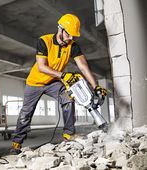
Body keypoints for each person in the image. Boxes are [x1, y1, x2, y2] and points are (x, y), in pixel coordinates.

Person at [11, 14, 107, 154]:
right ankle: (16, 143)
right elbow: (41, 67)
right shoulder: (44, 41)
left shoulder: (72, 46)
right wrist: (63, 75)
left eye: (74, 36)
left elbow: (83, 67)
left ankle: (69, 134)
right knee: (26, 113)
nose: (71, 39)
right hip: (35, 83)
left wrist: (95, 86)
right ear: (60, 29)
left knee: (68, 98)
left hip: (53, 82)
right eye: (69, 35)